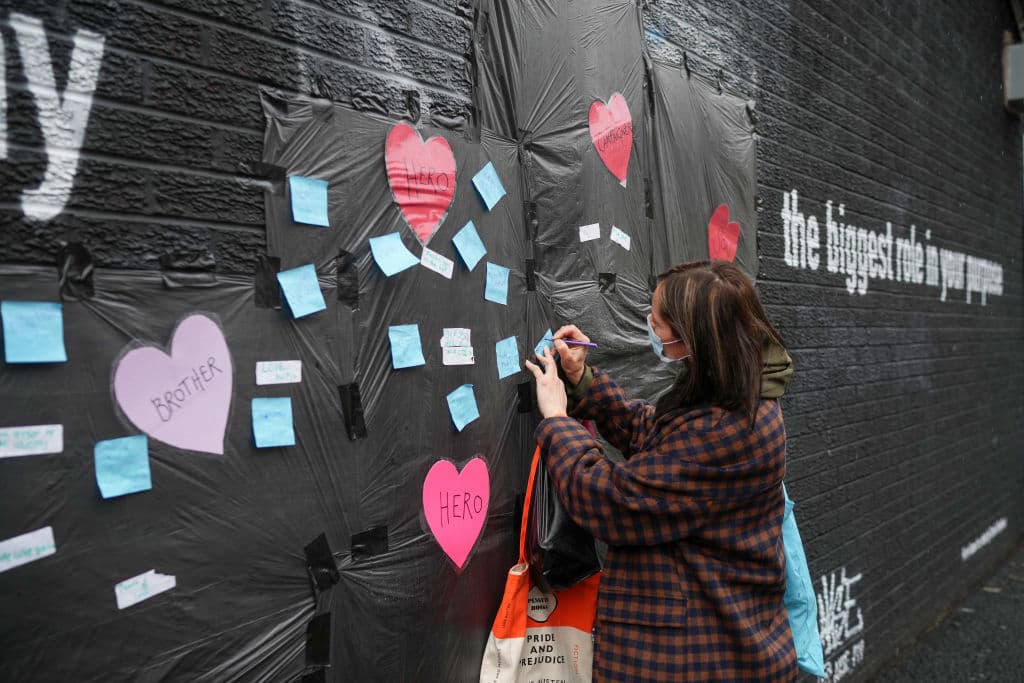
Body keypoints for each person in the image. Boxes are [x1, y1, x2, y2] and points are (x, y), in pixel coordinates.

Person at [524, 260, 798, 682]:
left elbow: (616, 502)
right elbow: (659, 437)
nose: (649, 325)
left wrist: (559, 423)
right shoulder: (736, 389)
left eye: (657, 321)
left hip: (697, 656)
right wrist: (583, 381)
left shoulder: (728, 426)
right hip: (714, 641)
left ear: (694, 338)